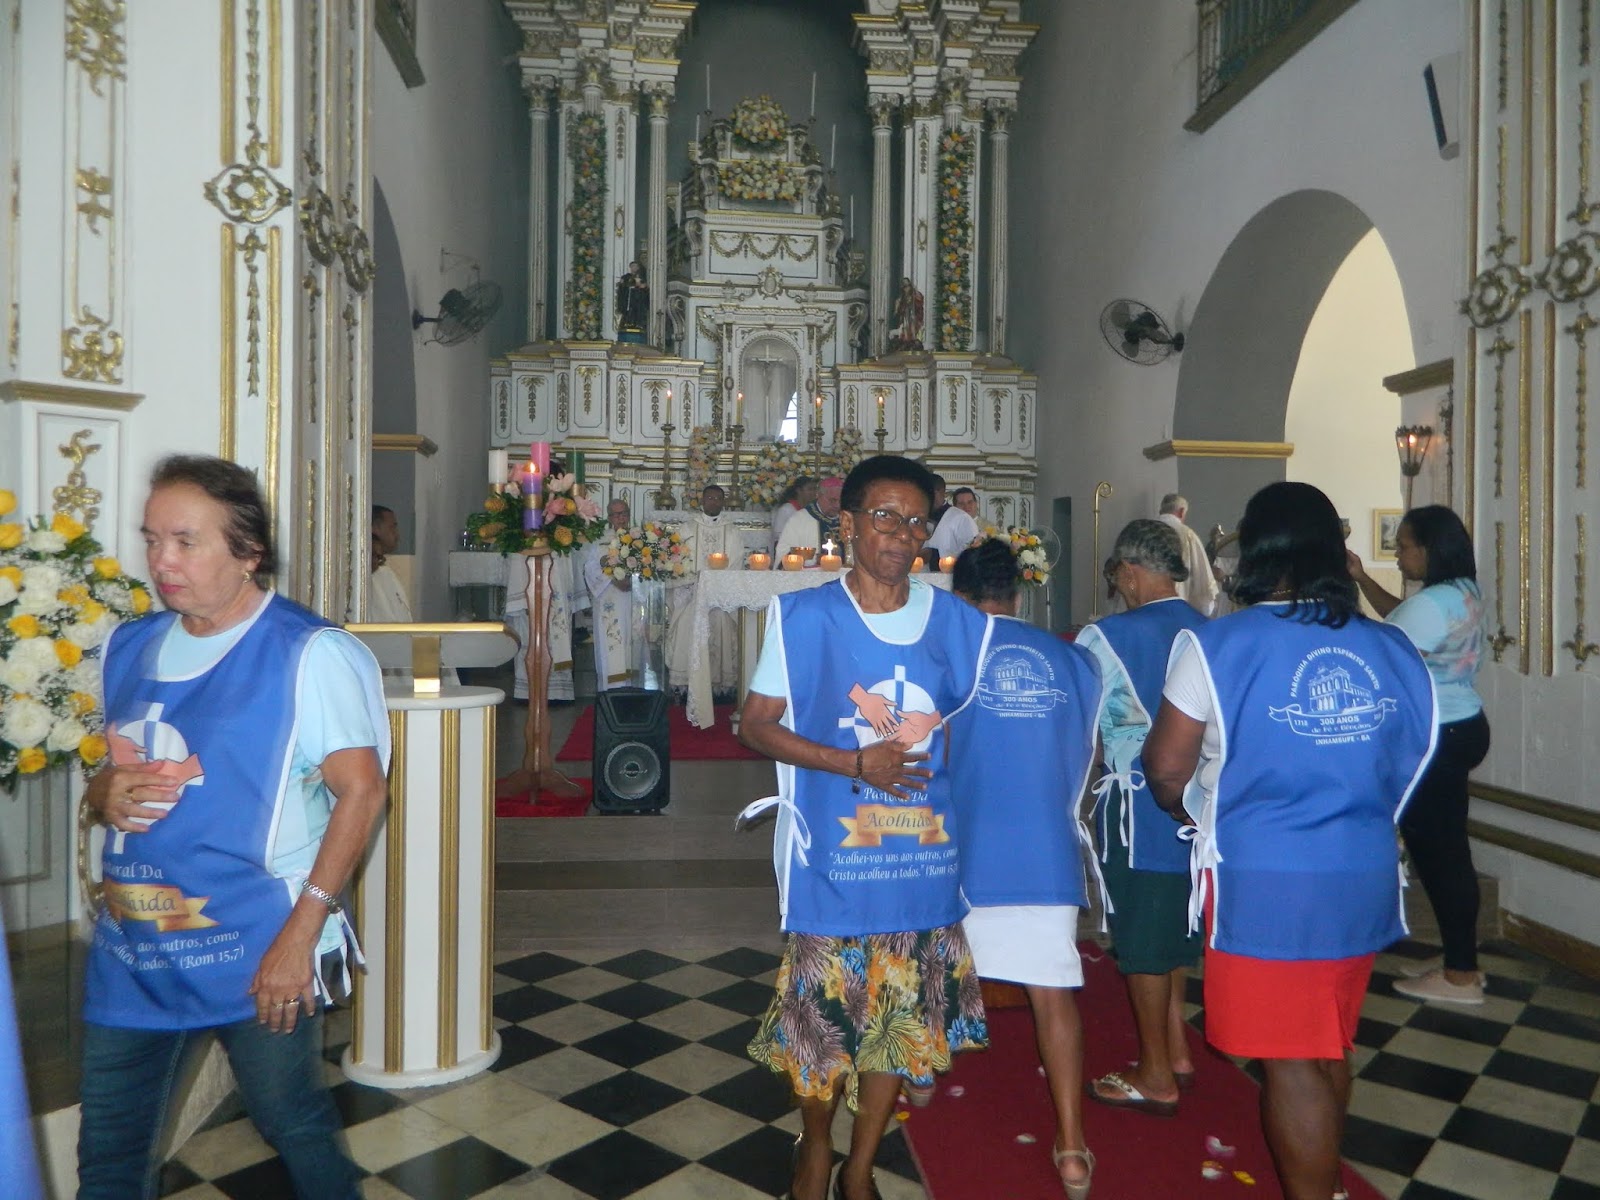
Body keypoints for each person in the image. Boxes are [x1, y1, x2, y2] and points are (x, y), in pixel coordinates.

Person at [78, 455, 390, 1200]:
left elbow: (362, 793)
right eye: (153, 539)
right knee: (110, 1151)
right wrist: (100, 790)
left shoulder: (309, 653)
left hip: (256, 939)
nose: (162, 561)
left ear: (248, 552)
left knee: (291, 1122)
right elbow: (120, 765)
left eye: (186, 542)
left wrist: (300, 936)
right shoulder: (129, 645)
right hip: (134, 941)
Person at [1142, 480, 1436, 1200]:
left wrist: (1192, 808)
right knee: (1327, 1041)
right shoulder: (1390, 644)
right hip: (1362, 867)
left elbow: (1167, 766)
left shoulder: (1218, 643)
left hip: (1266, 880)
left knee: (1290, 1058)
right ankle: (1327, 1185)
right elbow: (1413, 752)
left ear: (1258, 549)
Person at [738, 455, 994, 1200]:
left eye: (916, 521)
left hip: (922, 856)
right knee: (820, 1026)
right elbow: (756, 725)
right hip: (835, 858)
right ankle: (818, 1146)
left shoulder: (957, 624)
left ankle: (860, 1164)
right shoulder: (805, 618)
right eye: (885, 517)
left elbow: (969, 740)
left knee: (896, 1025)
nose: (902, 535)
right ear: (846, 526)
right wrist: (852, 761)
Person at [950, 538, 1102, 1199]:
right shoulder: (1074, 660)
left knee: (934, 967)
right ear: (1019, 593)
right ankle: (1071, 1146)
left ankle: (920, 1079)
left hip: (965, 844)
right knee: (1053, 993)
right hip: (1044, 844)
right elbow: (1090, 755)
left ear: (961, 598)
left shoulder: (948, 656)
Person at [1075, 520, 1208, 1118]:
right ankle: (1176, 1048)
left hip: (1139, 806)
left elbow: (1085, 731)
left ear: (1129, 572)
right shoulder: (1212, 630)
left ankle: (1155, 1075)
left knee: (1143, 942)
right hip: (1203, 804)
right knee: (1177, 924)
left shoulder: (1105, 637)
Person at [1348, 505, 1491, 1005]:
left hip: (1435, 736)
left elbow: (1379, 648)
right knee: (1449, 850)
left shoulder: (1431, 604)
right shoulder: (1460, 592)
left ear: (1428, 549)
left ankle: (1460, 976)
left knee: (1441, 856)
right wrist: (1361, 578)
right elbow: (1399, 621)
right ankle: (1460, 960)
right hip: (1463, 723)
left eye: (1404, 545)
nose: (1398, 553)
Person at [668, 484, 739, 697]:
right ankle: (686, 682)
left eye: (718, 499)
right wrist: (696, 582)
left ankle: (719, 685)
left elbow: (735, 564)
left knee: (722, 621)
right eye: (710, 498)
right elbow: (676, 560)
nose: (713, 502)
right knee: (687, 621)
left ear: (723, 502)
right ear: (702, 500)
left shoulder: (732, 531)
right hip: (692, 594)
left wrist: (717, 587)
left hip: (721, 597)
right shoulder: (687, 529)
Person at [583, 496, 636, 690]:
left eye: (624, 513)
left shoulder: (639, 539)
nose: (620, 518)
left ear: (629, 515)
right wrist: (614, 579)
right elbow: (590, 568)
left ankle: (635, 689)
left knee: (633, 643)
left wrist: (633, 581)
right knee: (611, 642)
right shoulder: (601, 540)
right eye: (616, 514)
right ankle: (610, 691)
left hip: (634, 600)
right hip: (609, 597)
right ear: (609, 517)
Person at [1157, 493, 1221, 617]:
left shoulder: (1144, 531)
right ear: (1181, 512)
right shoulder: (1187, 535)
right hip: (1177, 611)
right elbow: (1203, 584)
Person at [774, 476, 841, 566]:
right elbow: (784, 553)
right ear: (819, 496)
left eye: (841, 500)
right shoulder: (799, 519)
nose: (837, 505)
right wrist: (815, 560)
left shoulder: (849, 520)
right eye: (832, 500)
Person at [368, 505, 411, 623]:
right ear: (375, 528)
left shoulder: (386, 572)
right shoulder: (367, 580)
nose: (397, 535)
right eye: (392, 528)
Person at [923, 474, 981, 563]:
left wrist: (933, 555)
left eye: (929, 493)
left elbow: (973, 555)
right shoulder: (919, 515)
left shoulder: (961, 518)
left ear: (941, 492)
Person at [771, 476, 818, 553]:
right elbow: (778, 534)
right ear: (799, 490)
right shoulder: (786, 509)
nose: (813, 493)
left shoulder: (813, 510)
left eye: (815, 489)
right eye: (810, 489)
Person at [887, 276, 925, 352]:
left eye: (907, 287)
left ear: (910, 287)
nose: (906, 289)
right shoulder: (902, 298)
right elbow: (899, 310)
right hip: (905, 318)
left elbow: (919, 303)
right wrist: (897, 306)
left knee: (912, 328)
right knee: (904, 330)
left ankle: (913, 341)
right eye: (904, 287)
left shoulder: (915, 295)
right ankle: (906, 341)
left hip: (913, 318)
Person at [616, 261, 649, 333]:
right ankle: (628, 323)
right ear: (630, 267)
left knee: (637, 312)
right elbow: (623, 287)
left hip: (638, 299)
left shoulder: (642, 277)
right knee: (628, 312)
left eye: (636, 266)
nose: (634, 268)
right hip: (628, 298)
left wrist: (642, 286)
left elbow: (645, 288)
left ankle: (638, 323)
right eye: (633, 266)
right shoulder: (626, 277)